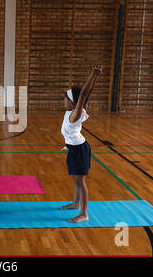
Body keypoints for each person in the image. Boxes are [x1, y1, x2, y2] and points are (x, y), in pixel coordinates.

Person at [60, 65, 102, 223]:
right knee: (76, 178)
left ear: (73, 103)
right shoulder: (72, 111)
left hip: (79, 150)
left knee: (80, 180)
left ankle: (84, 213)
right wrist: (96, 77)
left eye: (65, 98)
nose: (63, 101)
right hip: (74, 149)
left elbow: (84, 94)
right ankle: (76, 203)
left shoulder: (76, 114)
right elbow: (87, 94)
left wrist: (93, 74)